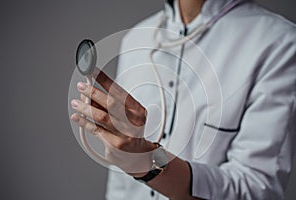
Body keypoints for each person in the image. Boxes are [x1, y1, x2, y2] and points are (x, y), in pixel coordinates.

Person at [70, 0, 296, 199]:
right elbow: (120, 185)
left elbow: (256, 190)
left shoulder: (278, 43)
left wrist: (145, 163)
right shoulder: (136, 38)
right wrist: (127, 152)